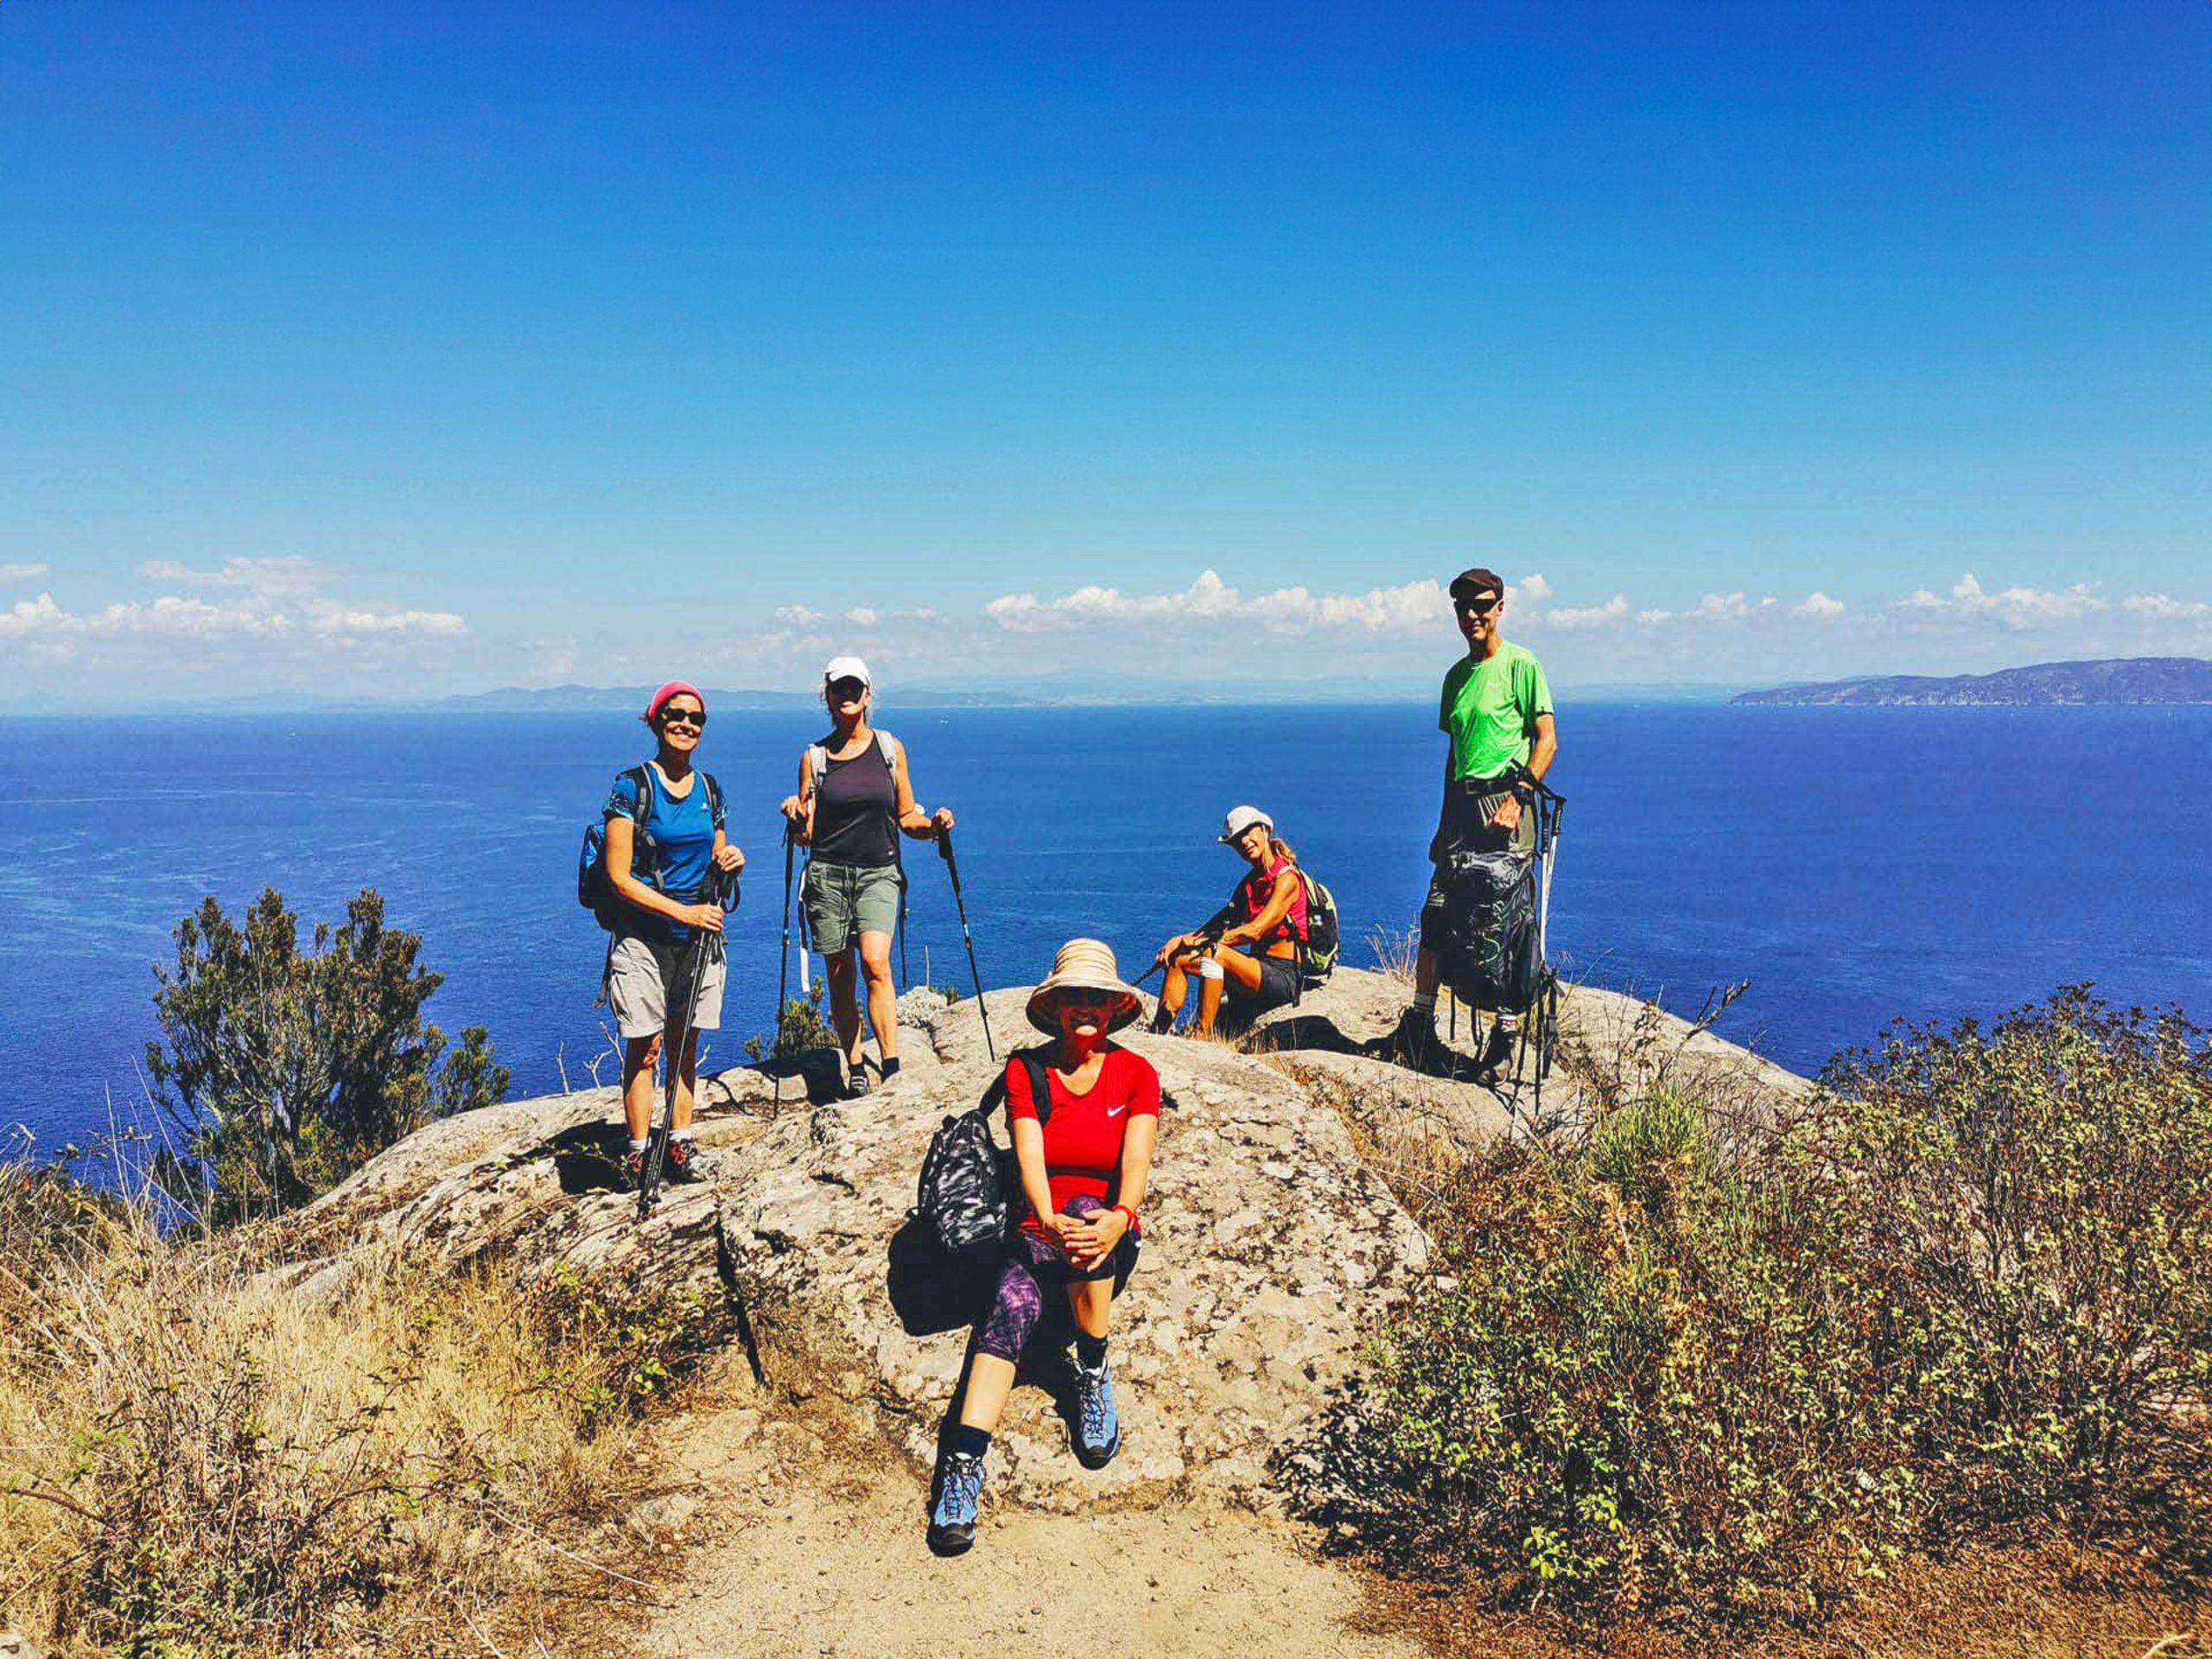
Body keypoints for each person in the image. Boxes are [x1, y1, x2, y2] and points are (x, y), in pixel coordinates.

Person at [927, 939, 1160, 1556]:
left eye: (1098, 998)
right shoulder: (1025, 1072)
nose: (1087, 1008)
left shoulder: (1137, 1075)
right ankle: (963, 1466)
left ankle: (1092, 1366)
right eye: (1074, 997)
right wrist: (1050, 1218)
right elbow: (1030, 1158)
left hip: (1105, 1229)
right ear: (1055, 1006)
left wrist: (1120, 1216)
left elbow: (1136, 1159)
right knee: (1007, 1305)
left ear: (1114, 1008)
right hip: (1042, 1226)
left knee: (1090, 1222)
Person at [1392, 567, 1558, 1078]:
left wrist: (1518, 797)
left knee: (1506, 924)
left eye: (1482, 605)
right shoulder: (1455, 678)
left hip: (1509, 807)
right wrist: (1443, 825)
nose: (1472, 615)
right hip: (1463, 810)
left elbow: (1547, 740)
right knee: (1438, 913)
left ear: (1501, 607)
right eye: (1464, 606)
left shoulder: (1522, 665)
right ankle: (1420, 1025)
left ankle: (1505, 1039)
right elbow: (1455, 754)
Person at [778, 657, 953, 1099]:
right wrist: (796, 815)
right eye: (840, 689)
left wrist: (932, 826)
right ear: (828, 697)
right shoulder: (815, 758)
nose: (848, 695)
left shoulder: (890, 750)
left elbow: (907, 814)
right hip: (827, 874)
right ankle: (855, 1064)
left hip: (879, 872)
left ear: (868, 694)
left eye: (855, 687)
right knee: (839, 973)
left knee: (876, 963)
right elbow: (807, 834)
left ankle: (890, 1062)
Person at [600, 682, 746, 1189]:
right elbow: (618, 877)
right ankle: (639, 1152)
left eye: (696, 719)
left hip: (699, 939)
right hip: (644, 936)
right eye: (676, 716)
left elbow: (714, 855)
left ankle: (679, 1144)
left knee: (685, 1045)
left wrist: (731, 860)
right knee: (646, 1046)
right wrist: (683, 913)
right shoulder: (631, 787)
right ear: (657, 721)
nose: (687, 725)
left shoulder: (710, 789)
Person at [1148, 805, 1309, 1039]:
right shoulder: (1250, 884)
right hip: (1256, 970)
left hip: (1284, 976)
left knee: (1215, 953)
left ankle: (1201, 1035)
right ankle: (1158, 1033)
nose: (1243, 842)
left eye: (1248, 833)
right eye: (1236, 840)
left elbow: (1257, 930)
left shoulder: (1287, 879)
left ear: (1264, 831)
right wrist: (1180, 941)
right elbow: (1219, 923)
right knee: (1179, 958)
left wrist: (1207, 943)